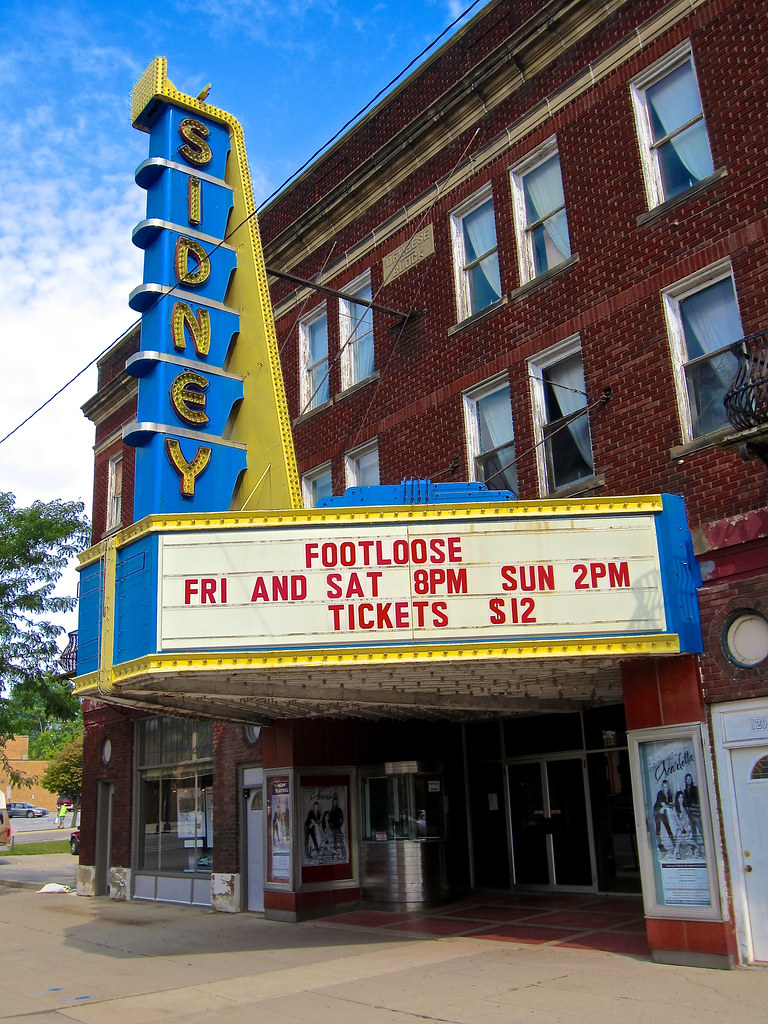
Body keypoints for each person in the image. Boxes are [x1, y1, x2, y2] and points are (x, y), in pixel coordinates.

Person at [653, 779, 674, 851]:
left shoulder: (670, 794)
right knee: (658, 828)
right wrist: (669, 806)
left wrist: (669, 805)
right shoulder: (660, 794)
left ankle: (674, 843)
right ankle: (660, 845)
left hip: (663, 812)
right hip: (657, 811)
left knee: (668, 827)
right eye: (664, 787)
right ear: (662, 787)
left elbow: (670, 804)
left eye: (666, 787)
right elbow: (664, 805)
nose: (665, 789)